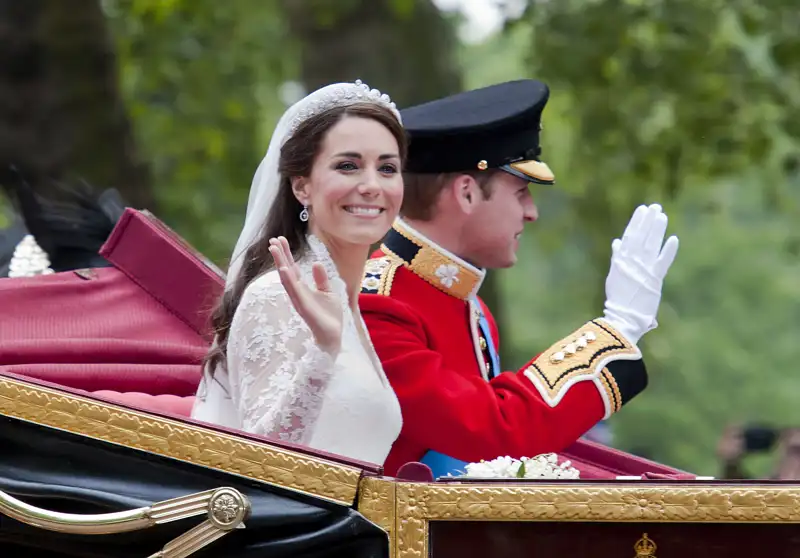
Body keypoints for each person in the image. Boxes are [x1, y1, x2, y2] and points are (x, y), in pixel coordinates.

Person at [359, 79, 680, 477]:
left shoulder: (463, 302)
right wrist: (617, 329)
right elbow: (494, 433)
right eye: (521, 192)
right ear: (467, 193)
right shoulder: (376, 306)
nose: (531, 212)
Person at [191, 80, 407, 465]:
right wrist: (323, 352)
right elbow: (260, 462)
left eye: (387, 168)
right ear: (302, 186)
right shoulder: (275, 295)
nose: (372, 185)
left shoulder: (346, 300)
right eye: (348, 166)